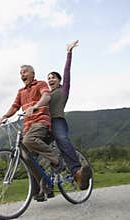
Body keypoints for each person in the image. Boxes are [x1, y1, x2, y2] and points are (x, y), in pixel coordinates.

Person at [0, 64, 61, 201]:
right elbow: (15, 107)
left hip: (41, 123)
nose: (22, 75)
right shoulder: (21, 91)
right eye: (20, 73)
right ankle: (45, 186)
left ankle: (56, 159)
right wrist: (5, 116)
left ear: (32, 73)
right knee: (26, 158)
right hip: (28, 127)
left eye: (25, 72)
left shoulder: (40, 84)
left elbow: (46, 97)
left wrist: (36, 106)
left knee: (27, 141)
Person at [47, 40, 92, 190]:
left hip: (58, 121)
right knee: (37, 149)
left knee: (63, 141)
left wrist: (69, 53)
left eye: (53, 77)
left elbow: (67, 71)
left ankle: (77, 172)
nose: (50, 79)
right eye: (48, 78)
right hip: (46, 124)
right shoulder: (46, 94)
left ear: (59, 80)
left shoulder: (63, 90)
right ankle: (43, 186)